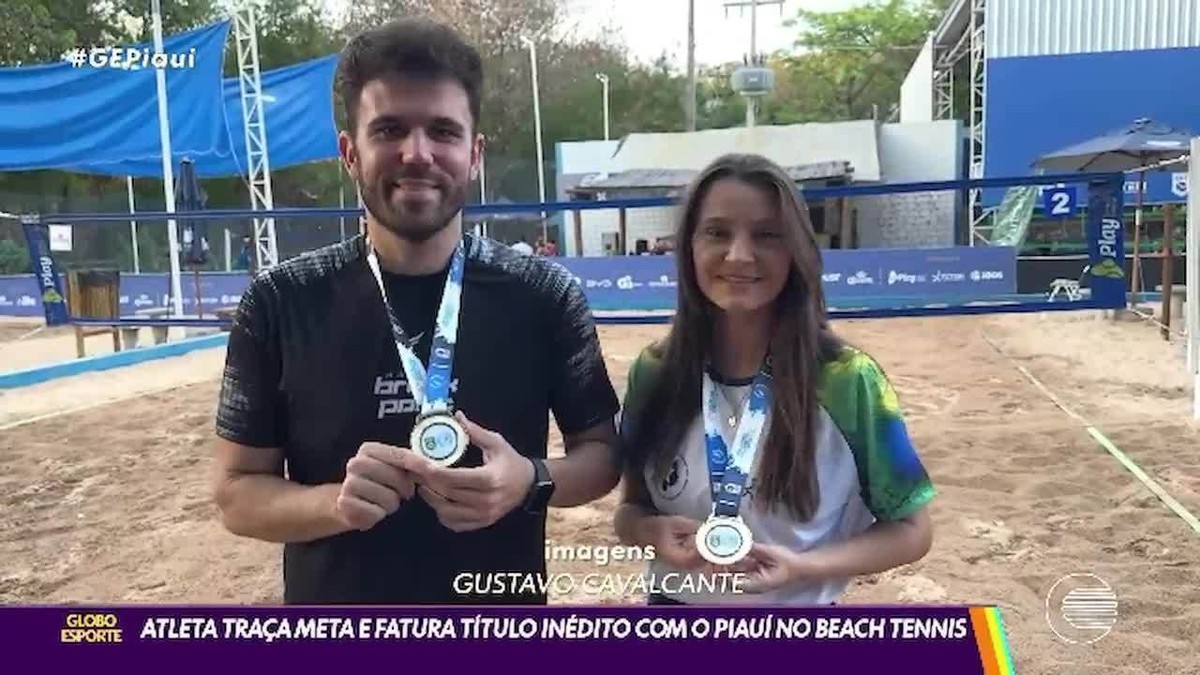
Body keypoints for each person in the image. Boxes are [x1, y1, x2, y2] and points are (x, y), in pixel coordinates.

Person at [211, 18, 622, 605]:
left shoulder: (544, 295)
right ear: (350, 153)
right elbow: (234, 493)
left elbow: (603, 456)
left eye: (443, 131)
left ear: (474, 154)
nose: (417, 153)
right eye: (390, 129)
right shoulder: (279, 300)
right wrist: (333, 504)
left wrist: (530, 480)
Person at [613, 153, 935, 606]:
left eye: (767, 235)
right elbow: (630, 510)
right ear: (688, 247)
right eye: (717, 232)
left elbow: (913, 529)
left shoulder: (848, 380)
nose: (739, 254)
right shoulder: (656, 372)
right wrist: (648, 530)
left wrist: (805, 566)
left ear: (796, 251)